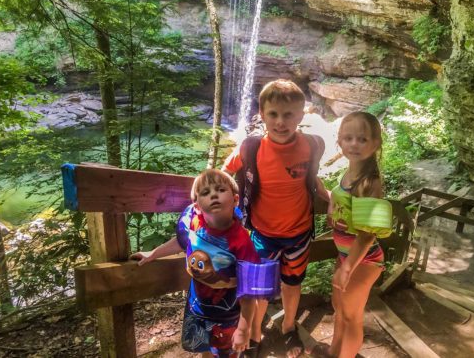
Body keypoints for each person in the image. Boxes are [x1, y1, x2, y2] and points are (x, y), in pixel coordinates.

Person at [223, 79, 328, 358]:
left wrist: (331, 199)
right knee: (257, 291)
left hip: (299, 233)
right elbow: (225, 174)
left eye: (288, 114)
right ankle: (255, 334)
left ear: (301, 115)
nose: (281, 122)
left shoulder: (312, 146)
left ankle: (288, 327)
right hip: (261, 234)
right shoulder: (251, 148)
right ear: (262, 113)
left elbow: (310, 178)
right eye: (273, 114)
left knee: (292, 285)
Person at [131, 169, 268, 358]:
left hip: (227, 313)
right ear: (196, 206)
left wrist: (244, 329)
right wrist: (153, 254)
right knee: (204, 348)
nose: (213, 194)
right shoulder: (195, 223)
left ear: (235, 200)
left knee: (227, 353)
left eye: (220, 189)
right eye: (205, 192)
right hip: (198, 306)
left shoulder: (241, 241)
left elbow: (248, 293)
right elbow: (181, 242)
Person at [313, 111, 392, 358]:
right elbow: (346, 205)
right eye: (348, 138)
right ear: (340, 141)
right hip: (346, 256)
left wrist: (347, 268)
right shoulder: (348, 174)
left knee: (351, 316)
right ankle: (335, 352)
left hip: (363, 260)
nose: (354, 144)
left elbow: (367, 234)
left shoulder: (370, 183)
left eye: (362, 139)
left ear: (375, 144)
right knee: (340, 309)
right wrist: (325, 194)